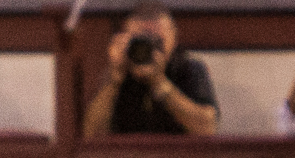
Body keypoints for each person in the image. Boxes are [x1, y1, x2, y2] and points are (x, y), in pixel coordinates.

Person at [82, 1, 217, 137]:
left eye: (157, 42)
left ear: (174, 38)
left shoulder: (188, 69)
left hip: (178, 150)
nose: (149, 49)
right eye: (141, 41)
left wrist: (160, 83)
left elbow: (207, 129)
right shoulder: (119, 71)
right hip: (128, 150)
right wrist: (114, 81)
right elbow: (91, 134)